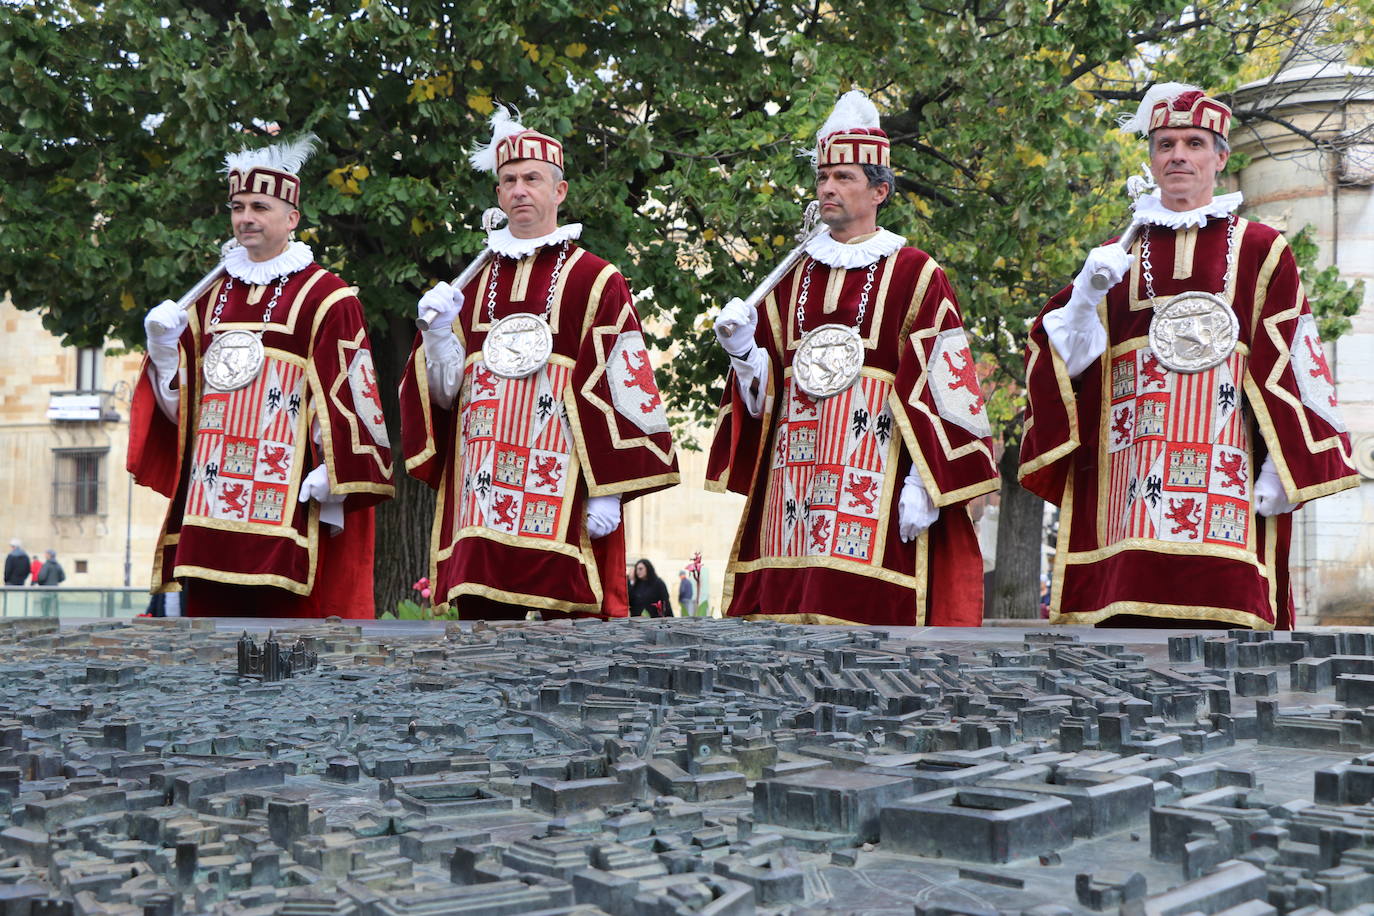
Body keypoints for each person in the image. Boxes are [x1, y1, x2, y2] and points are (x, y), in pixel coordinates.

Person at [1020, 84, 1359, 628]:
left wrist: (1280, 470)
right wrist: (1085, 295)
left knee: (1228, 657)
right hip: (1124, 501)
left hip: (1226, 495)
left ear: (1221, 158)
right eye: (1165, 143)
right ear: (1152, 158)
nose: (1178, 154)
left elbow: (1294, 359)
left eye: (1194, 143)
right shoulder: (1117, 251)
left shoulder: (1260, 249)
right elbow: (1064, 363)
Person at [707, 92, 999, 626]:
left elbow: (944, 385)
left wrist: (924, 485)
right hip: (791, 486)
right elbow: (766, 399)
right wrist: (743, 352)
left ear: (880, 190)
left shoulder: (916, 272)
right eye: (822, 177)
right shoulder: (789, 274)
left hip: (876, 487)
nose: (827, 189)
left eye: (843, 177)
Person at [400, 108, 680, 619]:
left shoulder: (596, 279)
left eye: (532, 178)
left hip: (563, 498)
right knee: (478, 644)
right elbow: (442, 395)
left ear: (560, 191)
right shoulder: (469, 284)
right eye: (508, 181)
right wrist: (438, 335)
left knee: (563, 652)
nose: (519, 190)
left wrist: (609, 494)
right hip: (479, 500)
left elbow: (624, 383)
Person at [129, 133, 395, 617]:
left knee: (290, 650)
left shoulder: (328, 297)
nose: (245, 217)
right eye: (237, 207)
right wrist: (164, 350)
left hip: (288, 506)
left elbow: (354, 396)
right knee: (211, 655)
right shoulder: (204, 299)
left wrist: (332, 473)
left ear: (291, 218)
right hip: (209, 508)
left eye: (259, 206)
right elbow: (181, 412)